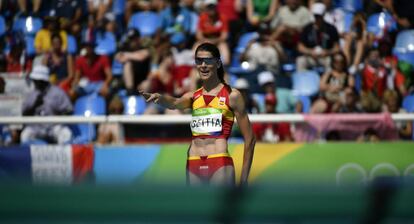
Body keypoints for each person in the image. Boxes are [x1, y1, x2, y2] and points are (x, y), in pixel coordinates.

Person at [140, 42, 256, 186]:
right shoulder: (192, 96)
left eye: (208, 60)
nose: (203, 65)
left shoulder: (232, 95)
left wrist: (243, 181)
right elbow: (175, 103)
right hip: (193, 162)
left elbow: (250, 139)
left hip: (219, 161)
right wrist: (160, 98)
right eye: (199, 61)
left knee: (218, 209)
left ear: (218, 63)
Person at [21, 65, 73, 144]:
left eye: (38, 80)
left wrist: (57, 116)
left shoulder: (57, 92)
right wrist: (35, 105)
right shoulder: (31, 94)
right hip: (36, 127)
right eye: (35, 80)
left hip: (54, 126)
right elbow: (24, 114)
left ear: (44, 80)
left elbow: (69, 111)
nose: (35, 82)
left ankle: (62, 156)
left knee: (66, 134)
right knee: (25, 135)